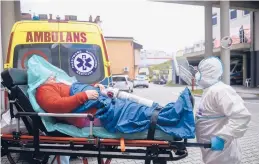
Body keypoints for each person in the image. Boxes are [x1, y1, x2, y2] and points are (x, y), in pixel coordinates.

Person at [194, 57, 251, 164]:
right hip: (212, 150)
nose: (197, 75)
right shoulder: (209, 91)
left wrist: (222, 137)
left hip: (223, 152)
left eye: (199, 72)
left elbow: (242, 116)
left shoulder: (221, 91)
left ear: (208, 73)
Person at [35, 75, 105, 128]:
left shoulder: (56, 85)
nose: (53, 76)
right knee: (113, 112)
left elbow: (76, 89)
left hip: (96, 107)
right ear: (40, 79)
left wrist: (94, 87)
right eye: (48, 76)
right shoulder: (44, 89)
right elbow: (56, 105)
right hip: (90, 115)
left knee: (113, 104)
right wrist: (84, 95)